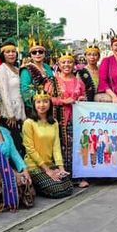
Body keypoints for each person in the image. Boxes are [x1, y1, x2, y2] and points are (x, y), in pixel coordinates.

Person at [45, 50, 87, 187]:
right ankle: (63, 176)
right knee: (62, 147)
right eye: (64, 62)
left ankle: (77, 176)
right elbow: (46, 99)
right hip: (59, 118)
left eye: (69, 62)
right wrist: (63, 101)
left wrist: (82, 99)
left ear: (74, 64)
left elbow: (83, 95)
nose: (67, 65)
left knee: (76, 146)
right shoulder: (53, 81)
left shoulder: (78, 81)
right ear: (59, 64)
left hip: (76, 119)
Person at [22, 92, 73, 198]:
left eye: (45, 102)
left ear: (50, 104)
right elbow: (30, 149)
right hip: (34, 166)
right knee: (57, 191)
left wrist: (61, 168)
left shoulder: (53, 122)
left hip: (49, 164)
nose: (42, 105)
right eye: (38, 102)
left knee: (68, 188)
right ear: (34, 104)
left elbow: (56, 147)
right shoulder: (29, 123)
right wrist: (47, 170)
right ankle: (36, 185)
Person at [0, 41, 26, 157]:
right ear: (3, 54)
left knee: (21, 142)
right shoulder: (2, 69)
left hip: (19, 111)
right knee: (14, 143)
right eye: (8, 52)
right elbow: (4, 93)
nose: (11, 54)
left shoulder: (16, 69)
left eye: (13, 52)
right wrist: (10, 114)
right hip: (8, 114)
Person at [20, 34, 54, 111]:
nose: (37, 54)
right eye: (34, 52)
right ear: (30, 55)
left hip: (50, 106)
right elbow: (25, 91)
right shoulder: (26, 70)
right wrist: (41, 101)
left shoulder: (48, 68)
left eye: (40, 51)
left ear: (44, 53)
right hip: (35, 108)